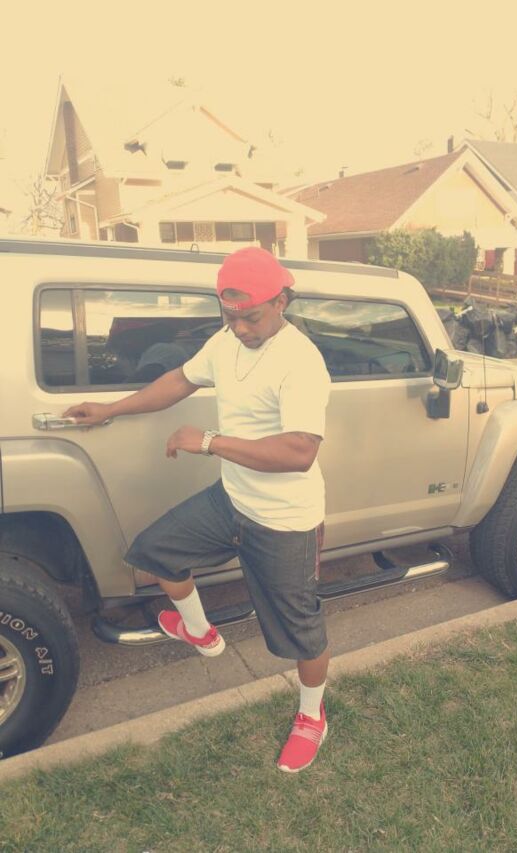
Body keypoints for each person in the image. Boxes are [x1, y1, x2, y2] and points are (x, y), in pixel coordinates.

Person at [63, 247, 332, 773]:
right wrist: (110, 409)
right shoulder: (226, 341)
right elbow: (180, 380)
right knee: (155, 553)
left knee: (300, 631)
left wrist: (208, 441)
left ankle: (311, 716)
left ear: (281, 302)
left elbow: (300, 451)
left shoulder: (301, 362)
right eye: (229, 315)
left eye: (250, 317)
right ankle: (199, 631)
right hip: (231, 498)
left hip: (284, 520)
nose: (239, 328)